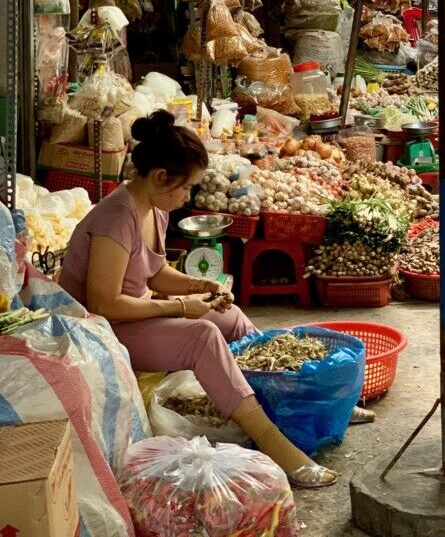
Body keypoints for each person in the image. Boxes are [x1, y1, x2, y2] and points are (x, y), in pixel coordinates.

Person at [59, 111, 339, 489]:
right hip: (102, 331)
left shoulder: (152, 208)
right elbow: (105, 303)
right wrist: (180, 307)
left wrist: (200, 287)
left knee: (233, 319)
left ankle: (302, 395)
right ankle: (280, 448)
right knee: (202, 336)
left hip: (131, 316)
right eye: (185, 188)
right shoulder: (116, 218)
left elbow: (152, 272)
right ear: (160, 177)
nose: (186, 197)